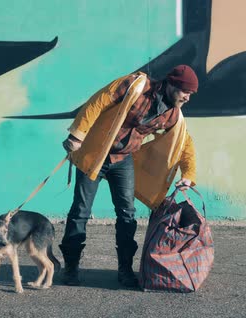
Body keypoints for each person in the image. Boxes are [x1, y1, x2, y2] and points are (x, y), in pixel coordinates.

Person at [60, 64, 198, 288]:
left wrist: (188, 174)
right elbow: (99, 100)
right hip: (96, 152)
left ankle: (125, 270)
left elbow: (184, 143)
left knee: (127, 215)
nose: (188, 98)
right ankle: (71, 268)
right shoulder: (136, 85)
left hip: (123, 160)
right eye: (186, 92)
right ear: (173, 85)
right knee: (80, 211)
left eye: (191, 94)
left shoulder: (173, 114)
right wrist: (78, 134)